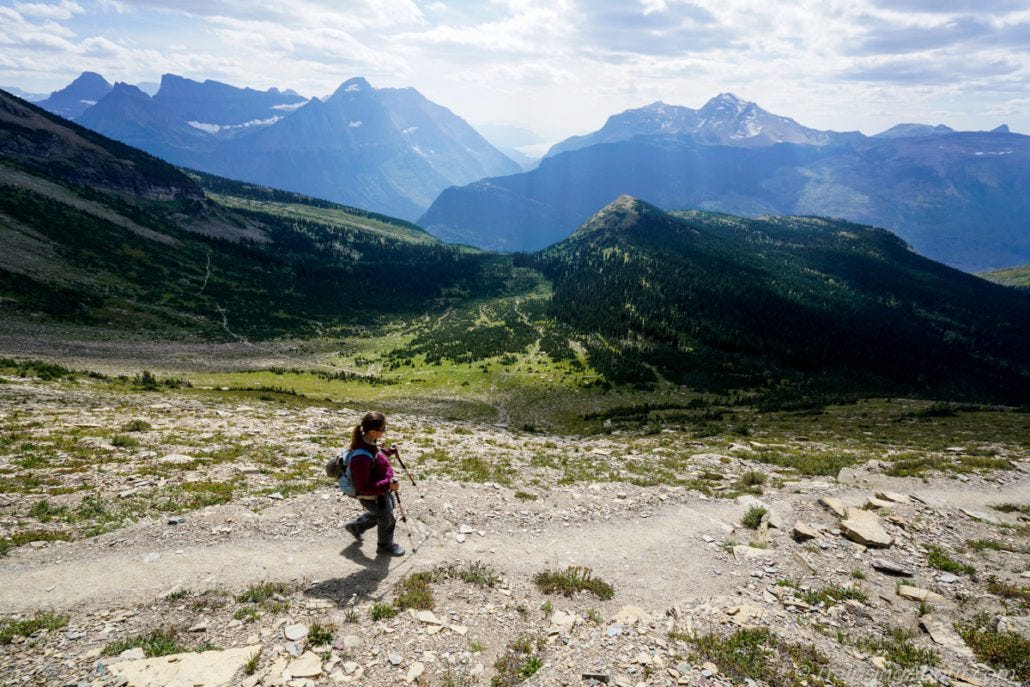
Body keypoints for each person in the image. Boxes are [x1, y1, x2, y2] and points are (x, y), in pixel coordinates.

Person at [343, 412, 405, 556]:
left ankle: (356, 527)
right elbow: (363, 488)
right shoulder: (361, 458)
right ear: (373, 431)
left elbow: (377, 454)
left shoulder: (368, 441)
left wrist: (389, 451)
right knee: (387, 519)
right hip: (374, 496)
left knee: (384, 513)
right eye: (383, 429)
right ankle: (384, 546)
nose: (384, 431)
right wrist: (387, 484)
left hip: (382, 492)